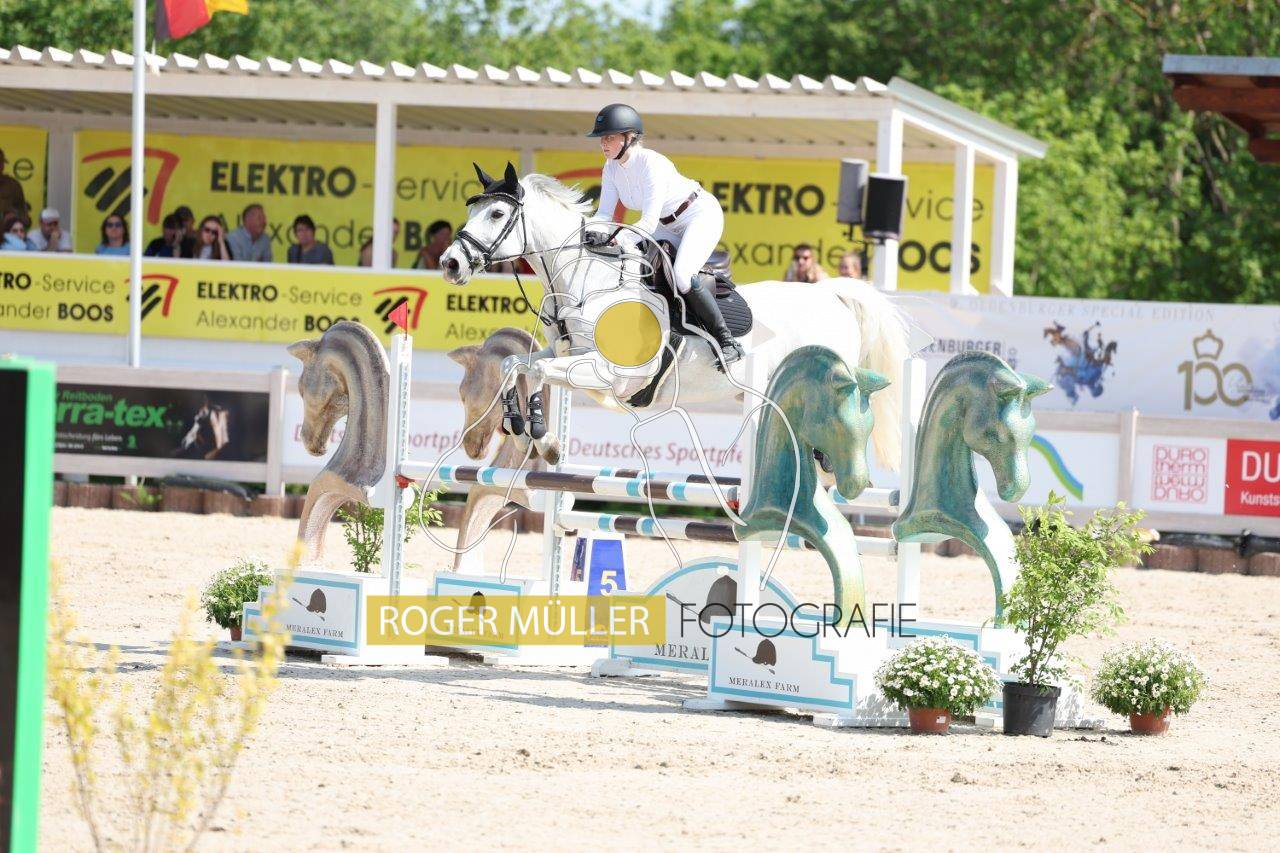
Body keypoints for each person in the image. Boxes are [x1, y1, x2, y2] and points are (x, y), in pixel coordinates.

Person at [585, 103, 743, 368]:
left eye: (609, 137)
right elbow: (603, 215)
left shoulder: (651, 163)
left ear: (629, 137)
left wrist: (616, 238)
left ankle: (727, 341)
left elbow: (646, 223)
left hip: (698, 214)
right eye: (602, 138)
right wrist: (587, 232)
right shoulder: (610, 168)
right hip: (665, 223)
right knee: (634, 263)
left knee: (682, 275)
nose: (603, 143)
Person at [0, 148, 27, 222]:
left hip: (6, 228)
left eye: (1, 163)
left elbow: (23, 214)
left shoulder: (13, 185)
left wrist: (15, 215)